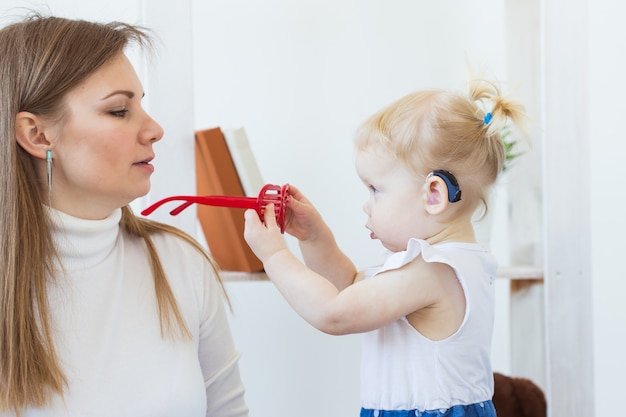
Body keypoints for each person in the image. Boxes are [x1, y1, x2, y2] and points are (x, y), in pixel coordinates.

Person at [0, 13, 248, 417]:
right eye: (119, 111)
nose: (154, 130)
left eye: (141, 106)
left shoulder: (181, 263)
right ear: (37, 135)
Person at [244, 80, 526, 417]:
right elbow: (347, 285)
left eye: (375, 189)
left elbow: (333, 312)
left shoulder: (433, 270)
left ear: (433, 195)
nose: (367, 205)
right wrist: (314, 237)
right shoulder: (430, 265)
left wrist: (274, 254)